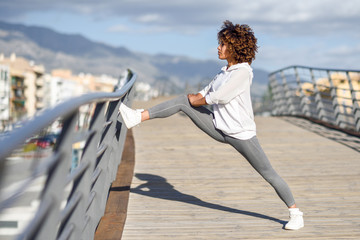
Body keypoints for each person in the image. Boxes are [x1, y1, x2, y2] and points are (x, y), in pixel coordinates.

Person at [119, 20, 304, 230]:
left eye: (223, 45)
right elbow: (203, 93)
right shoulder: (223, 72)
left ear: (235, 48)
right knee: (182, 101)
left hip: (241, 134)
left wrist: (196, 100)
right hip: (218, 126)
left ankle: (295, 213)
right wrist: (194, 98)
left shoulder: (243, 72)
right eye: (220, 43)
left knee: (268, 173)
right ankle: (137, 117)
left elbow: (219, 97)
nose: (219, 47)